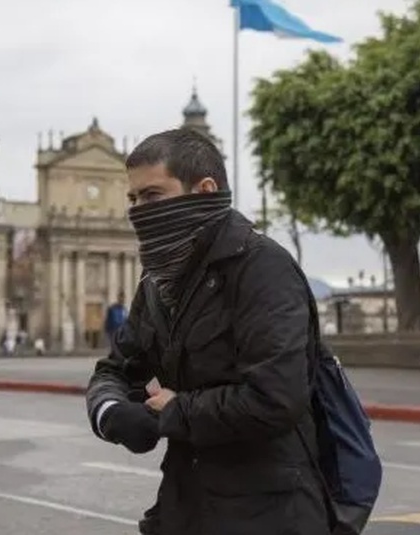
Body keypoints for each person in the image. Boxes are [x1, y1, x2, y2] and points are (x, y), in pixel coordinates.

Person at [85, 128, 330, 535]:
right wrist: (111, 411)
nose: (138, 211)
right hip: (186, 505)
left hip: (270, 513)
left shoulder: (263, 268)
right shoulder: (159, 282)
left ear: (205, 190)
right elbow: (114, 369)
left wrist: (174, 412)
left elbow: (275, 398)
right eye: (133, 199)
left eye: (152, 197)